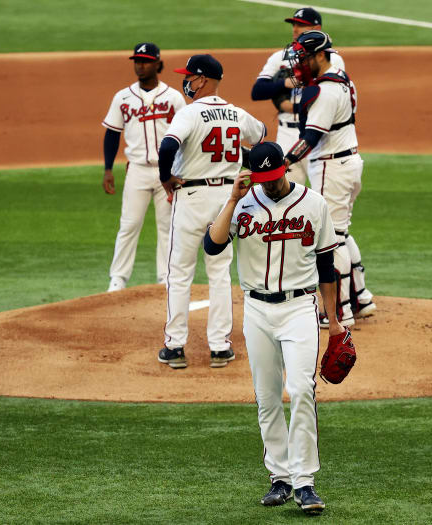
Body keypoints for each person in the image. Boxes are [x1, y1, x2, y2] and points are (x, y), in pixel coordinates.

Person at [204, 141, 344, 515]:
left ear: (286, 167)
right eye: (261, 178)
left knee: (301, 389)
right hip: (256, 310)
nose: (269, 184)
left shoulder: (314, 204)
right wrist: (232, 200)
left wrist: (333, 322)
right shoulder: (244, 203)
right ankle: (279, 479)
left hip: (299, 307)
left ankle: (305, 483)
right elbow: (212, 246)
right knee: (267, 398)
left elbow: (328, 266)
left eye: (274, 176)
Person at [157, 54, 266, 369]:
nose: (187, 81)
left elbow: (167, 148)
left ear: (202, 80)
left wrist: (166, 179)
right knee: (219, 273)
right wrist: (237, 157)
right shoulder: (235, 112)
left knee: (179, 273)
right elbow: (260, 136)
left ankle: (175, 347)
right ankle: (220, 348)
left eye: (190, 77)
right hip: (227, 198)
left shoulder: (189, 113)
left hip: (191, 196)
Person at [283, 30, 377, 327]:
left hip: (331, 167)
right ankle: (361, 298)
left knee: (331, 241)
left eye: (305, 57)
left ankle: (339, 312)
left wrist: (285, 161)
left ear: (320, 56)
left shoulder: (325, 91)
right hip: (349, 162)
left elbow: (311, 137)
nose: (300, 63)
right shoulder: (341, 76)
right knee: (342, 233)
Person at [102, 42, 186, 291]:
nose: (140, 65)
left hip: (168, 173)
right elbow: (112, 134)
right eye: (137, 60)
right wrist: (108, 169)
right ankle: (118, 279)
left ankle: (165, 277)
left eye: (146, 60)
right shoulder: (123, 97)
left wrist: (182, 171)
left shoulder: (173, 98)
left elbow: (186, 137)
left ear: (158, 64)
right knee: (128, 225)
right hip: (137, 170)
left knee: (167, 226)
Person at [251, 7, 345, 187]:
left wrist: (293, 105)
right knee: (286, 193)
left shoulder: (331, 60)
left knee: (323, 193)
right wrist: (285, 84)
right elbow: (257, 91)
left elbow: (330, 97)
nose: (295, 29)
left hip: (318, 134)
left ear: (317, 29)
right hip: (287, 134)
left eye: (301, 25)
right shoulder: (280, 57)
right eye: (294, 24)